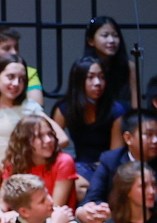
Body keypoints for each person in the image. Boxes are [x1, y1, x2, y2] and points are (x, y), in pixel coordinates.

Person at [52, 54, 123, 182]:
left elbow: (114, 156)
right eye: (90, 77)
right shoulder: (65, 109)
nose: (98, 83)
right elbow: (52, 147)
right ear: (79, 81)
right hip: (78, 167)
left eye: (101, 77)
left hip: (107, 168)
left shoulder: (115, 110)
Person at [0, 56, 49, 168]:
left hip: (21, 169)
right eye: (10, 77)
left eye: (22, 79)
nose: (16, 83)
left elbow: (61, 138)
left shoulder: (30, 107)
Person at [0, 115, 75, 210]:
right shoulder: (14, 163)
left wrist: (15, 216)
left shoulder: (63, 162)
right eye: (39, 136)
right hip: (20, 219)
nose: (48, 140)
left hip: (54, 220)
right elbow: (3, 202)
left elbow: (54, 208)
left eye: (50, 134)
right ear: (25, 140)